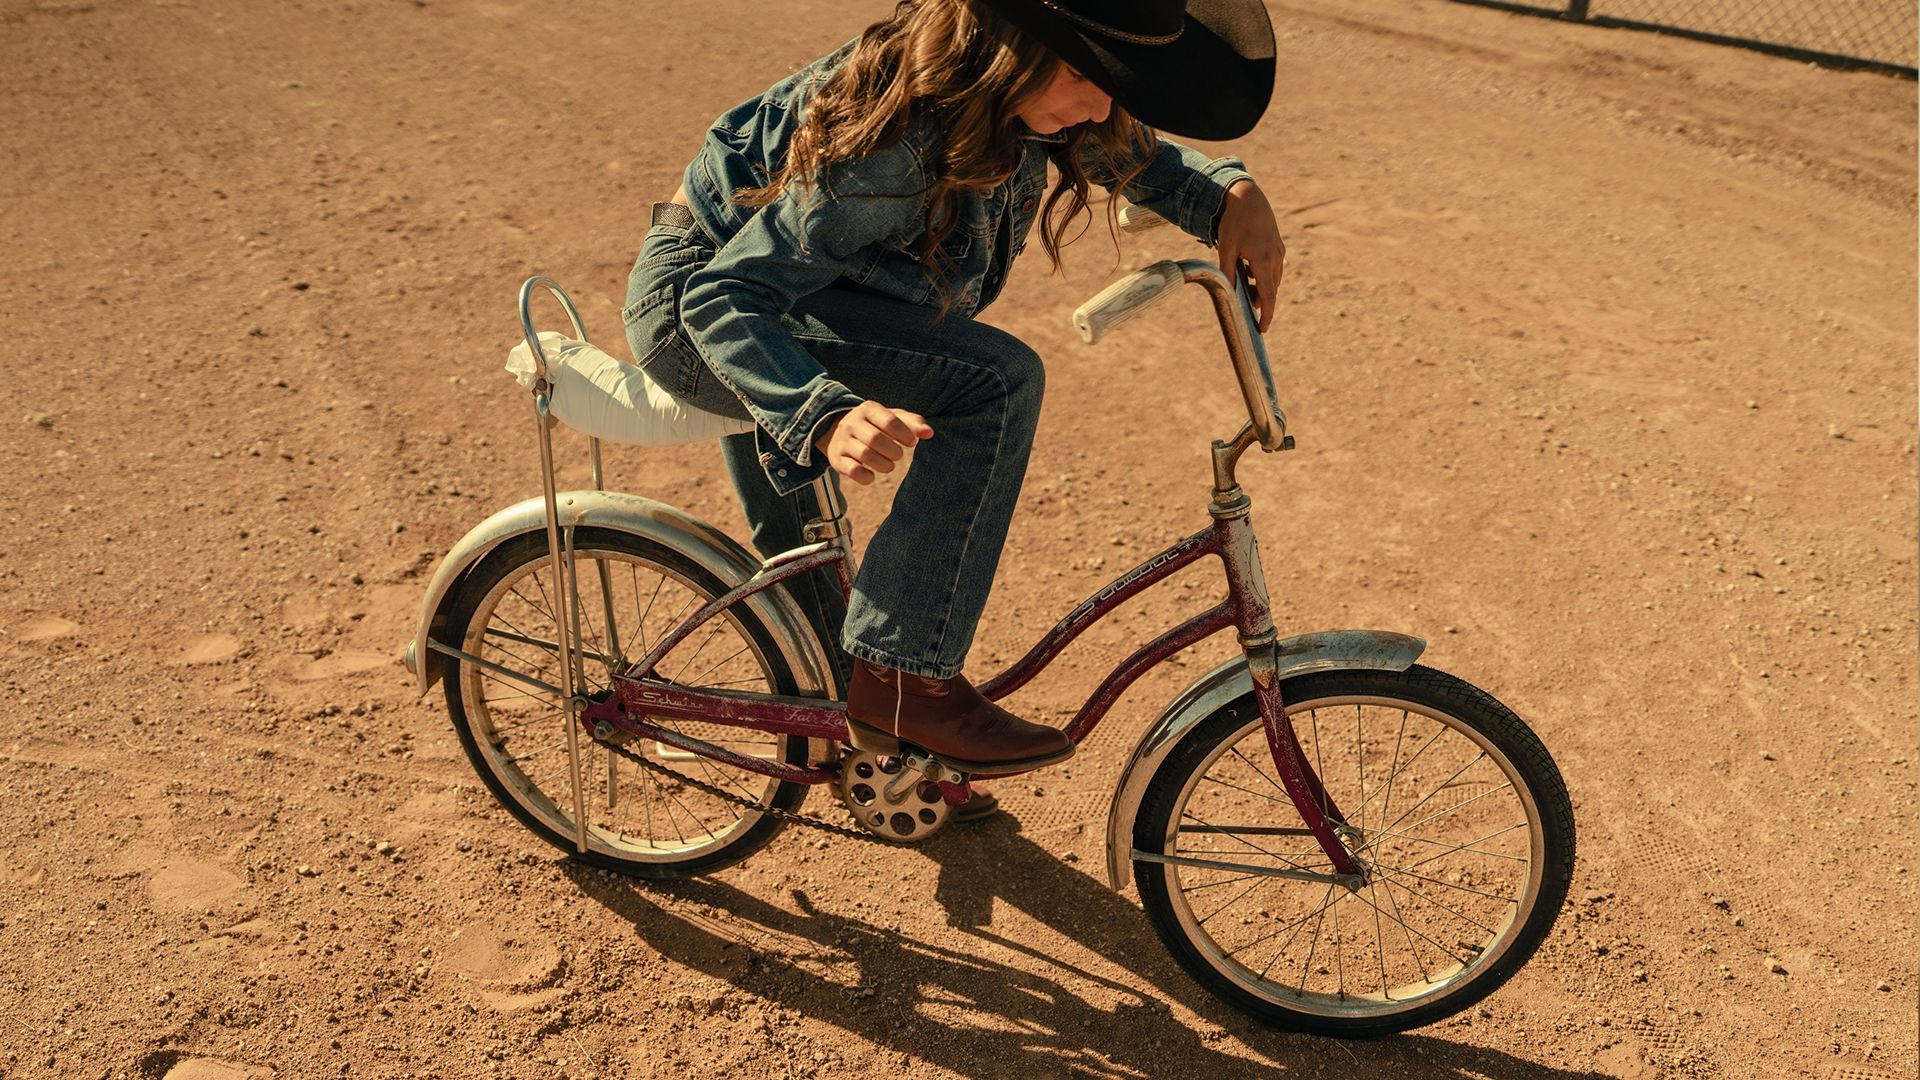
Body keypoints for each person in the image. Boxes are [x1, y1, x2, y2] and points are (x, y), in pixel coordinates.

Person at [623, 0, 1286, 801]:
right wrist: (821, 412)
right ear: (1010, 50)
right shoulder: (893, 149)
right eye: (1083, 73)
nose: (1101, 103)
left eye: (1108, 78)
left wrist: (1228, 192)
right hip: (710, 308)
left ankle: (884, 753)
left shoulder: (1024, 96)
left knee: (811, 563)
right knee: (992, 382)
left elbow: (1130, 150)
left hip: (801, 285)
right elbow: (724, 296)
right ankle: (907, 686)